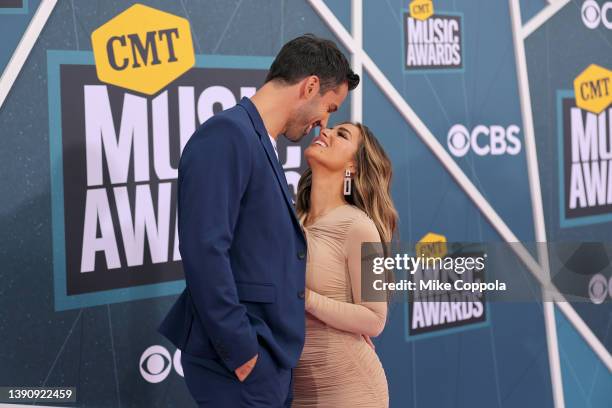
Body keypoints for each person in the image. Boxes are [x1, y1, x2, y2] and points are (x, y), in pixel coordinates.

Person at [157, 34, 359, 407]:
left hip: (267, 362)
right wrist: (242, 351)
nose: (323, 124)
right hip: (239, 363)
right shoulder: (227, 135)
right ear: (310, 86)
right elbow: (205, 250)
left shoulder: (258, 140)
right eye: (328, 107)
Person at [292, 123, 398, 407]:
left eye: (342, 135)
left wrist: (307, 299)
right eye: (330, 129)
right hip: (296, 390)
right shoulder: (292, 219)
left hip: (350, 390)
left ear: (353, 165)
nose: (325, 132)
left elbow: (375, 319)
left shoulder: (360, 226)